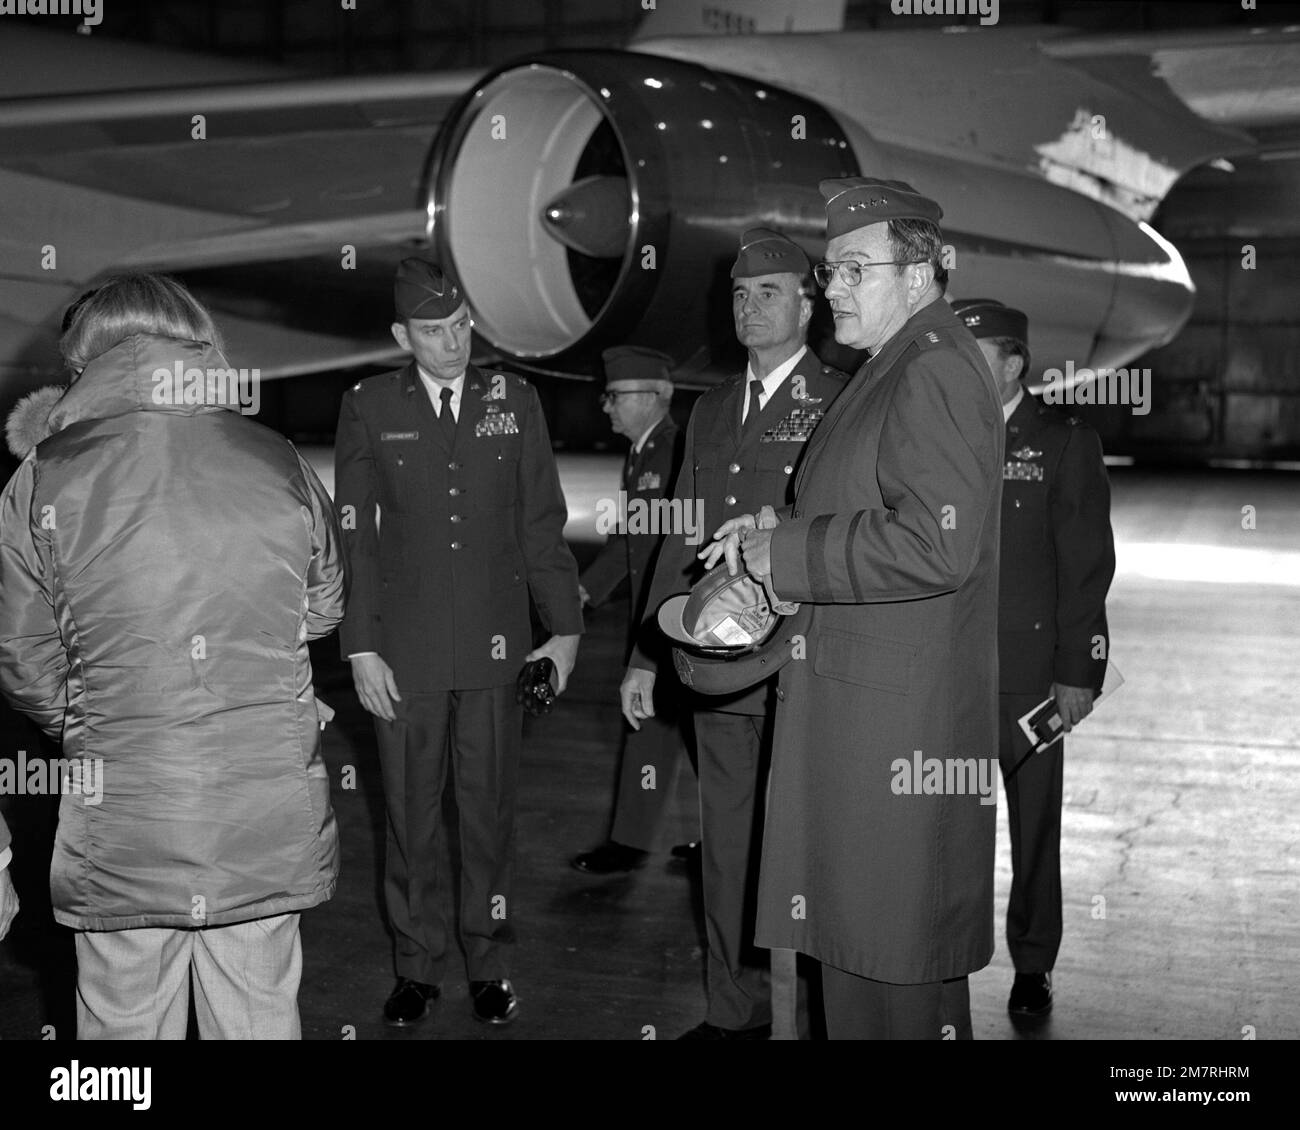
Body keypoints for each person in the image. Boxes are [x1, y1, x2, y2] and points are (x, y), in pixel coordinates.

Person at [0, 273, 344, 1039]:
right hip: (259, 808)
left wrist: (98, 719)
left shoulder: (41, 477)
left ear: (85, 355)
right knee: (257, 1014)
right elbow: (323, 608)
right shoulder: (276, 458)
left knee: (122, 1029)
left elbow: (21, 657)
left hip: (123, 815)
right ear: (197, 342)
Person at [704, 179, 1004, 1039]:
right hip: (869, 734)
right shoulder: (898, 363)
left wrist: (789, 555)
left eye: (849, 270)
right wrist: (781, 528)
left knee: (888, 993)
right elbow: (885, 508)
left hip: (893, 749)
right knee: (873, 978)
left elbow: (937, 544)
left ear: (916, 275)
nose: (828, 288)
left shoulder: (934, 367)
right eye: (830, 272)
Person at [335, 257, 583, 1027]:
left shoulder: (517, 400)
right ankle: (416, 966)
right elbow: (356, 540)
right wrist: (359, 647)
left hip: (496, 650)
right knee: (408, 818)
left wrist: (566, 630)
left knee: (488, 814)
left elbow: (540, 523)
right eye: (434, 331)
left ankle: (490, 959)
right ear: (401, 335)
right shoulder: (368, 406)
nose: (453, 343)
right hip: (401, 656)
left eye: (461, 326)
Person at [626, 228, 845, 1039]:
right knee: (725, 846)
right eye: (740, 296)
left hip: (802, 663)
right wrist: (650, 653)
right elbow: (680, 535)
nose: (751, 310)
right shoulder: (712, 407)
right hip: (715, 663)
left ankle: (816, 1014)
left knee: (806, 847)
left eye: (771, 293)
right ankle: (730, 1010)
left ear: (810, 302)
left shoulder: (840, 399)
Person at [950, 297, 1115, 1018]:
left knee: (1034, 823)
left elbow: (1086, 567)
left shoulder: (1061, 441)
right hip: (950, 674)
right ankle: (944, 952)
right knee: (944, 820)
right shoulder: (943, 437)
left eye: (974, 353)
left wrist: (1078, 674)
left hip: (1031, 679)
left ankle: (1033, 962)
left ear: (1013, 363)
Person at [571, 346, 693, 875]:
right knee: (648, 724)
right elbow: (630, 538)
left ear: (658, 396)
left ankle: (727, 843)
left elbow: (666, 541)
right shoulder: (644, 452)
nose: (607, 407)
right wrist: (584, 592)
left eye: (617, 396)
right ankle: (631, 839)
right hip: (653, 619)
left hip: (675, 619)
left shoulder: (672, 450)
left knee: (699, 734)